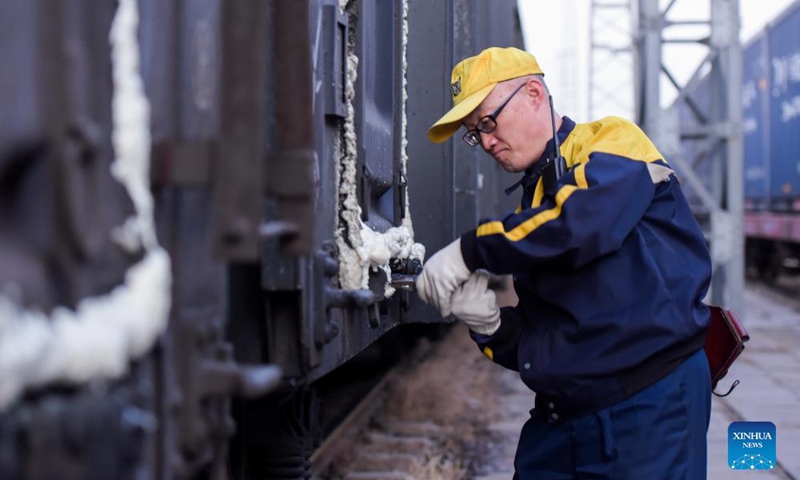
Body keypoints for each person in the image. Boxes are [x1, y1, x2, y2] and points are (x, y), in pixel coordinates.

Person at [416, 46, 713, 479]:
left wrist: (472, 249)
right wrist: (492, 327)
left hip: (648, 406)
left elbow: (582, 225)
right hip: (563, 418)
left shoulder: (612, 143)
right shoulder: (535, 197)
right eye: (473, 133)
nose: (484, 141)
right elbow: (555, 340)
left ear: (534, 93)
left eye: (487, 121)